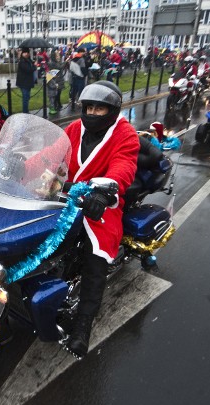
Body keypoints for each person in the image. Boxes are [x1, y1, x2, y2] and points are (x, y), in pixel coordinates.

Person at [61, 81, 139, 359]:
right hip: (64, 196)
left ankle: (83, 324)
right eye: (89, 107)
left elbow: (124, 166)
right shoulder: (73, 129)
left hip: (101, 203)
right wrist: (23, 165)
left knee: (95, 257)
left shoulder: (125, 134)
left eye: (99, 108)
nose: (93, 113)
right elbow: (51, 153)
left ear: (112, 110)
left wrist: (105, 191)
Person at [16, 47, 35, 113]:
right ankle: (25, 112)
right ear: (22, 53)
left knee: (27, 97)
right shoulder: (22, 61)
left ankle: (26, 111)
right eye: (25, 52)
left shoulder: (28, 60)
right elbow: (28, 70)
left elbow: (30, 67)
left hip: (28, 82)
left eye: (27, 52)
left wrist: (33, 63)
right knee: (25, 98)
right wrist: (34, 66)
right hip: (24, 83)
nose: (26, 54)